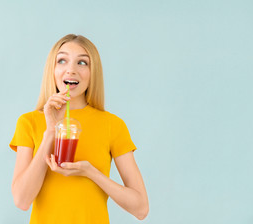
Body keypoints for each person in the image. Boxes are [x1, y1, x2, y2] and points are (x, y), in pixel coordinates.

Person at [9, 34, 149, 223]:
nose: (71, 70)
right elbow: (22, 200)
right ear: (53, 69)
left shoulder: (112, 125)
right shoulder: (29, 122)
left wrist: (91, 173)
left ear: (93, 72)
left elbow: (141, 209)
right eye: (62, 60)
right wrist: (50, 131)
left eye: (82, 63)